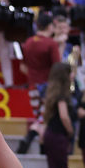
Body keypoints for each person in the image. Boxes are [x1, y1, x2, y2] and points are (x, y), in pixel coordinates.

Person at [18, 10, 60, 152]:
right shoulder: (51, 44)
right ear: (49, 26)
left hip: (32, 85)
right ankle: (32, 136)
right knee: (44, 117)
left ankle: (39, 144)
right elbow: (57, 67)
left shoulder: (29, 42)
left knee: (38, 116)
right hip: (47, 85)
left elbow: (23, 67)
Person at [41, 61, 76, 168]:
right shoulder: (62, 95)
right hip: (58, 135)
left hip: (51, 134)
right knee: (61, 166)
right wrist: (71, 131)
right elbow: (64, 116)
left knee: (54, 167)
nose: (72, 75)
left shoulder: (51, 93)